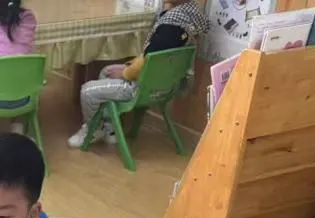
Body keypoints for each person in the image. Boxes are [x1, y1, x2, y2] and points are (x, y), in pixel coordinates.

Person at [68, 0, 209, 148]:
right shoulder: (191, 16)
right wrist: (128, 67)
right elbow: (152, 58)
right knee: (107, 71)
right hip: (167, 85)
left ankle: (94, 129)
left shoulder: (170, 26)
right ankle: (110, 129)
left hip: (142, 88)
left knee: (87, 91)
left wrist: (125, 73)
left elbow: (148, 61)